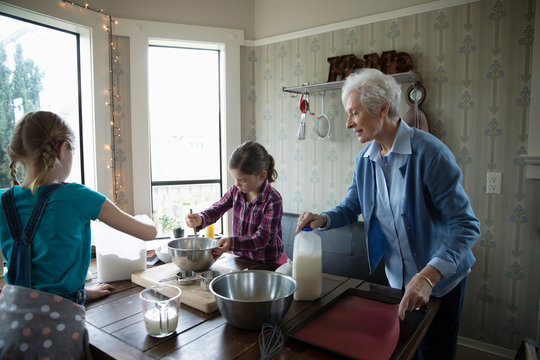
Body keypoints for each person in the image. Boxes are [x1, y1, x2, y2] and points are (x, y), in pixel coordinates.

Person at [295, 68, 480, 360]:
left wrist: (428, 277)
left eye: (354, 113)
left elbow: (465, 225)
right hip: (399, 281)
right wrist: (324, 218)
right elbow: (351, 206)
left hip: (441, 280)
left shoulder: (430, 154)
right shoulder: (365, 160)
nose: (348, 123)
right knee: (406, 350)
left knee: (434, 354)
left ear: (382, 108)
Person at [0, 111, 157, 358]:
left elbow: (23, 281)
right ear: (63, 149)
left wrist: (83, 293)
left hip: (8, 327)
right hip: (56, 333)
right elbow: (148, 232)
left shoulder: (2, 201)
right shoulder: (77, 195)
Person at [185, 141, 284, 264]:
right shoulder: (236, 191)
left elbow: (262, 239)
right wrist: (200, 218)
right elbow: (217, 209)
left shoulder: (273, 200)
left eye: (242, 180)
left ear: (262, 175)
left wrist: (232, 243)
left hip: (266, 263)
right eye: (235, 178)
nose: (237, 184)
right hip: (240, 259)